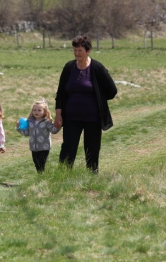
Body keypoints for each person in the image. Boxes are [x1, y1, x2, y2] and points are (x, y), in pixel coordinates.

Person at [54, 35, 117, 173]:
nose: (77, 53)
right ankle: (62, 176)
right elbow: (60, 93)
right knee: (68, 147)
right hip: (71, 117)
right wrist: (58, 114)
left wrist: (98, 97)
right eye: (75, 50)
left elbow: (112, 91)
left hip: (93, 118)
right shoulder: (69, 67)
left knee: (92, 148)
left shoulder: (97, 68)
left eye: (80, 50)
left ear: (88, 51)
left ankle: (91, 176)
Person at [16, 99, 60, 173]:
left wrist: (58, 126)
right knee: (36, 164)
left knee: (41, 164)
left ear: (45, 112)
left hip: (44, 147)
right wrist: (18, 128)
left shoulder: (47, 122)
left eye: (39, 110)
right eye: (34, 110)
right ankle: (40, 177)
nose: (36, 112)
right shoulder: (30, 121)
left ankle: (42, 178)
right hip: (33, 147)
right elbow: (27, 133)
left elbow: (54, 130)